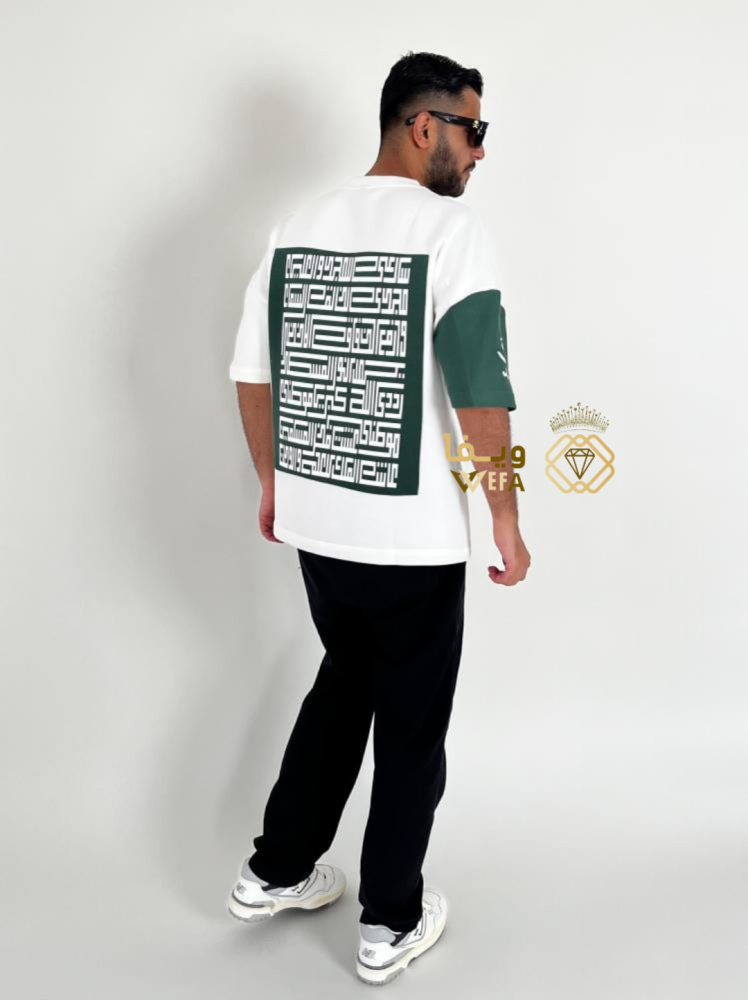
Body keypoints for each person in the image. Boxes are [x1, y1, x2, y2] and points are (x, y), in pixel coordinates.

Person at [226, 49, 531, 986]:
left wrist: (274, 483)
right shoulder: (447, 230)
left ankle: (276, 868)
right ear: (423, 125)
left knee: (344, 683)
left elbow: (251, 374)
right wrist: (506, 516)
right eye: (473, 130)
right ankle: (390, 920)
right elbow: (480, 393)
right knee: (410, 726)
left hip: (320, 528)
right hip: (411, 540)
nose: (481, 151)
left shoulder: (297, 226)